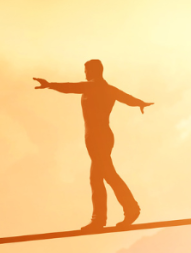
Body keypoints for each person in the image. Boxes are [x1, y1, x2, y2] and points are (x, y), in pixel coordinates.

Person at [34, 59, 154, 229]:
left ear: (93, 71)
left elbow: (70, 87)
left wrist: (49, 85)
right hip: (100, 138)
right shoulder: (109, 89)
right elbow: (127, 99)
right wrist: (140, 103)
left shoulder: (92, 87)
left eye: (86, 70)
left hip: (98, 138)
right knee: (97, 178)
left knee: (106, 175)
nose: (85, 73)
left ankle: (127, 210)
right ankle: (104, 218)